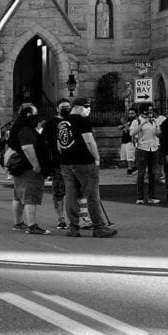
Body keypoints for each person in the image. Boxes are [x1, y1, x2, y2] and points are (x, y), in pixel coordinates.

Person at [55, 96, 118, 238]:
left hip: (67, 162)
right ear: (77, 107)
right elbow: (89, 141)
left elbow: (59, 144)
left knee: (71, 195)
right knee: (92, 195)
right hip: (84, 162)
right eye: (86, 107)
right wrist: (97, 158)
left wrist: (65, 156)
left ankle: (73, 227)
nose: (88, 110)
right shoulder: (82, 121)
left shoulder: (63, 123)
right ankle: (99, 226)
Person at [4, 103, 51, 234]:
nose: (36, 117)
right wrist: (36, 165)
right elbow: (27, 147)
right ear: (28, 114)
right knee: (31, 196)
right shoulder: (26, 129)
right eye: (34, 114)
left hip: (18, 167)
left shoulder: (17, 126)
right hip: (28, 168)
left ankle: (18, 223)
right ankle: (32, 225)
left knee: (19, 196)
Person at [41, 98, 71, 228]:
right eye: (63, 106)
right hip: (57, 162)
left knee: (74, 190)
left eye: (68, 106)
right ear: (58, 108)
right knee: (59, 191)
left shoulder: (73, 121)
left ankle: (77, 218)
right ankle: (61, 217)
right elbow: (44, 142)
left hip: (73, 161)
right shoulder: (51, 123)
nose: (66, 109)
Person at [130, 103, 162, 205]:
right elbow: (132, 133)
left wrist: (158, 131)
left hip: (153, 148)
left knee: (153, 173)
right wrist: (143, 123)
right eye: (149, 110)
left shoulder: (153, 121)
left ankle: (151, 196)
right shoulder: (137, 121)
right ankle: (140, 197)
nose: (150, 112)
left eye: (151, 110)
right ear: (144, 111)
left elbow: (158, 133)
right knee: (141, 173)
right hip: (142, 148)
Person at [118, 107, 137, 174]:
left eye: (132, 113)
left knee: (130, 155)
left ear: (135, 114)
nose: (130, 115)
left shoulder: (135, 121)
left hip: (131, 140)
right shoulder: (129, 121)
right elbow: (120, 127)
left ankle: (130, 169)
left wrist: (125, 124)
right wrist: (123, 125)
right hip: (125, 140)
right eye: (129, 113)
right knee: (126, 156)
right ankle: (133, 167)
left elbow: (132, 130)